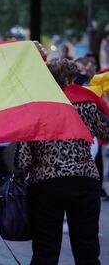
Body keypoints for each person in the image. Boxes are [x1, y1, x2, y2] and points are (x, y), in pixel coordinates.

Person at [15, 58, 109, 264]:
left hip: (46, 184)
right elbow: (106, 133)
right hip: (84, 181)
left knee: (45, 250)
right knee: (87, 249)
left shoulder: (36, 108)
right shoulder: (88, 104)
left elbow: (23, 157)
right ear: (72, 77)